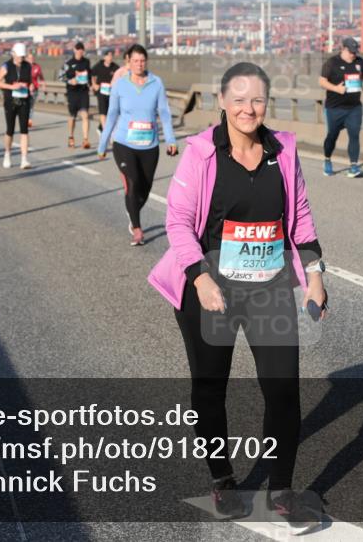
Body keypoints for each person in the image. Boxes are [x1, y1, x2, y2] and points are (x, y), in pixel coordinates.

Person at [147, 62, 327, 532]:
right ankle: (223, 480)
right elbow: (177, 222)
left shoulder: (283, 149)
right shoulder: (202, 153)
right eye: (240, 99)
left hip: (268, 286)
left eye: (258, 100)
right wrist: (201, 279)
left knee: (283, 388)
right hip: (211, 287)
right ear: (223, 102)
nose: (249, 108)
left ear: (267, 104)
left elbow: (300, 215)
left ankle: (283, 492)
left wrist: (314, 272)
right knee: (211, 386)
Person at [97, 44, 177, 246]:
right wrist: (103, 143)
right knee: (132, 183)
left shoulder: (156, 83)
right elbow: (112, 114)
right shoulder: (120, 85)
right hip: (124, 143)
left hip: (149, 145)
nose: (139, 64)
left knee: (144, 188)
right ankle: (137, 229)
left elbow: (164, 114)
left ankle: (131, 207)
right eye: (135, 61)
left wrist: (171, 139)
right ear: (128, 62)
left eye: (142, 60)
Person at [319, 36, 363, 178]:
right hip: (334, 108)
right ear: (344, 49)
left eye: (355, 51)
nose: (354, 54)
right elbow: (322, 81)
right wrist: (336, 89)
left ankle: (353, 166)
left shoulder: (359, 62)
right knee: (332, 136)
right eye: (351, 52)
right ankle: (327, 159)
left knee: (354, 135)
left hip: (354, 108)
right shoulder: (332, 63)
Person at [0, 42, 34, 169]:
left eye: (23, 56)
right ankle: (7, 154)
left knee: (24, 130)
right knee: (10, 130)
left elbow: (30, 82)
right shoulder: (6, 66)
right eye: (19, 56)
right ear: (13, 54)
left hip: (24, 101)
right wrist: (12, 86)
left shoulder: (28, 66)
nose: (21, 59)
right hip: (10, 101)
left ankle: (24, 159)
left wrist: (31, 87)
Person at [63, 41, 93, 148]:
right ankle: (71, 136)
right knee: (72, 116)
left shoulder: (86, 62)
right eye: (78, 49)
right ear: (74, 50)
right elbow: (61, 76)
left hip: (83, 91)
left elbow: (89, 74)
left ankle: (85, 140)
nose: (80, 51)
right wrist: (70, 81)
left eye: (81, 49)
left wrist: (91, 84)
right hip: (72, 92)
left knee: (85, 115)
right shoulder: (68, 63)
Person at [91, 47, 120, 135]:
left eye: (111, 55)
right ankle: (106, 133)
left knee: (110, 113)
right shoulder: (98, 66)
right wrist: (94, 84)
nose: (110, 57)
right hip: (101, 93)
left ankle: (101, 127)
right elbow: (92, 76)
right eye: (108, 55)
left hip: (112, 94)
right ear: (104, 57)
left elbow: (120, 78)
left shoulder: (115, 67)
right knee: (103, 112)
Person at [27, 50, 44, 129]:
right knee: (25, 105)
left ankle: (29, 120)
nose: (31, 59)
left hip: (35, 89)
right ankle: (24, 118)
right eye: (30, 58)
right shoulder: (24, 67)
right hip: (25, 89)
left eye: (32, 58)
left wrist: (43, 84)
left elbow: (41, 77)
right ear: (27, 59)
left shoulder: (37, 67)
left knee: (31, 105)